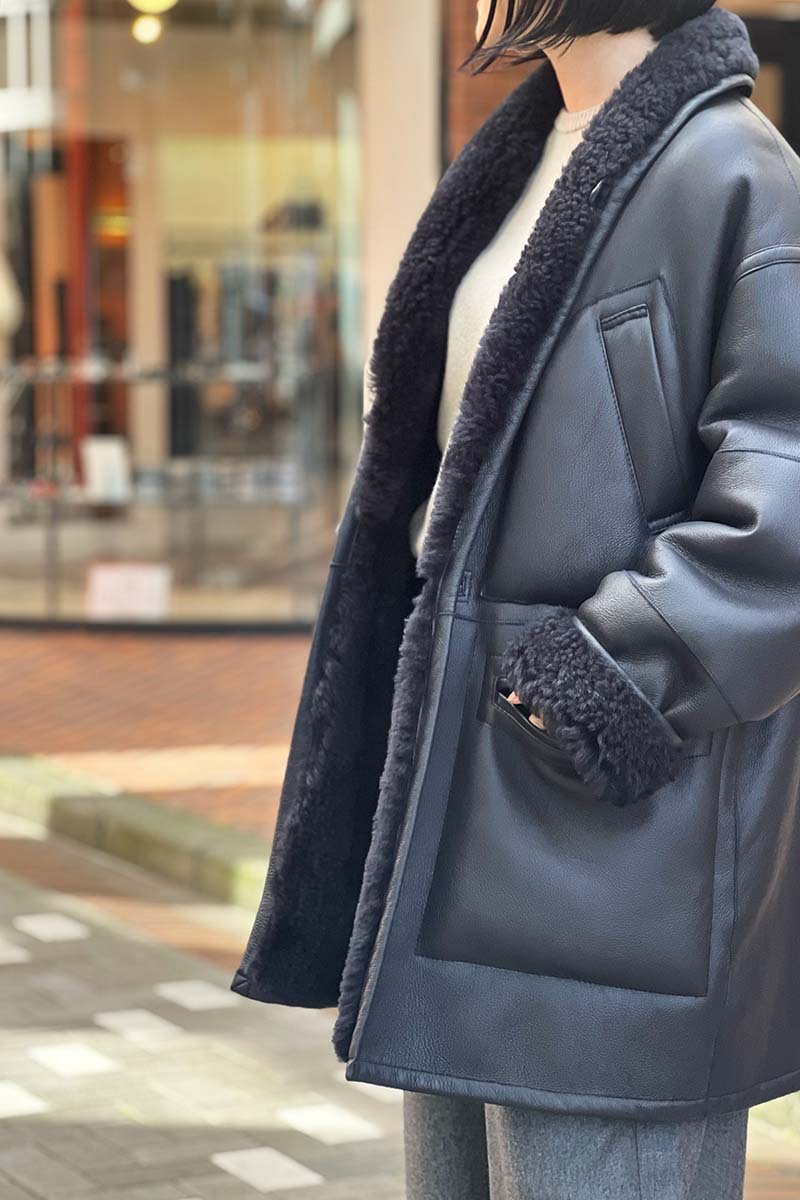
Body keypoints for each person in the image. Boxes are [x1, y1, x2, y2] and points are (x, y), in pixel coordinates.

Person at [234, 3, 800, 1197]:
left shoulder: (734, 172)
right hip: (468, 813)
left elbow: (785, 506)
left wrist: (600, 681)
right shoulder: (526, 155)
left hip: (613, 831)